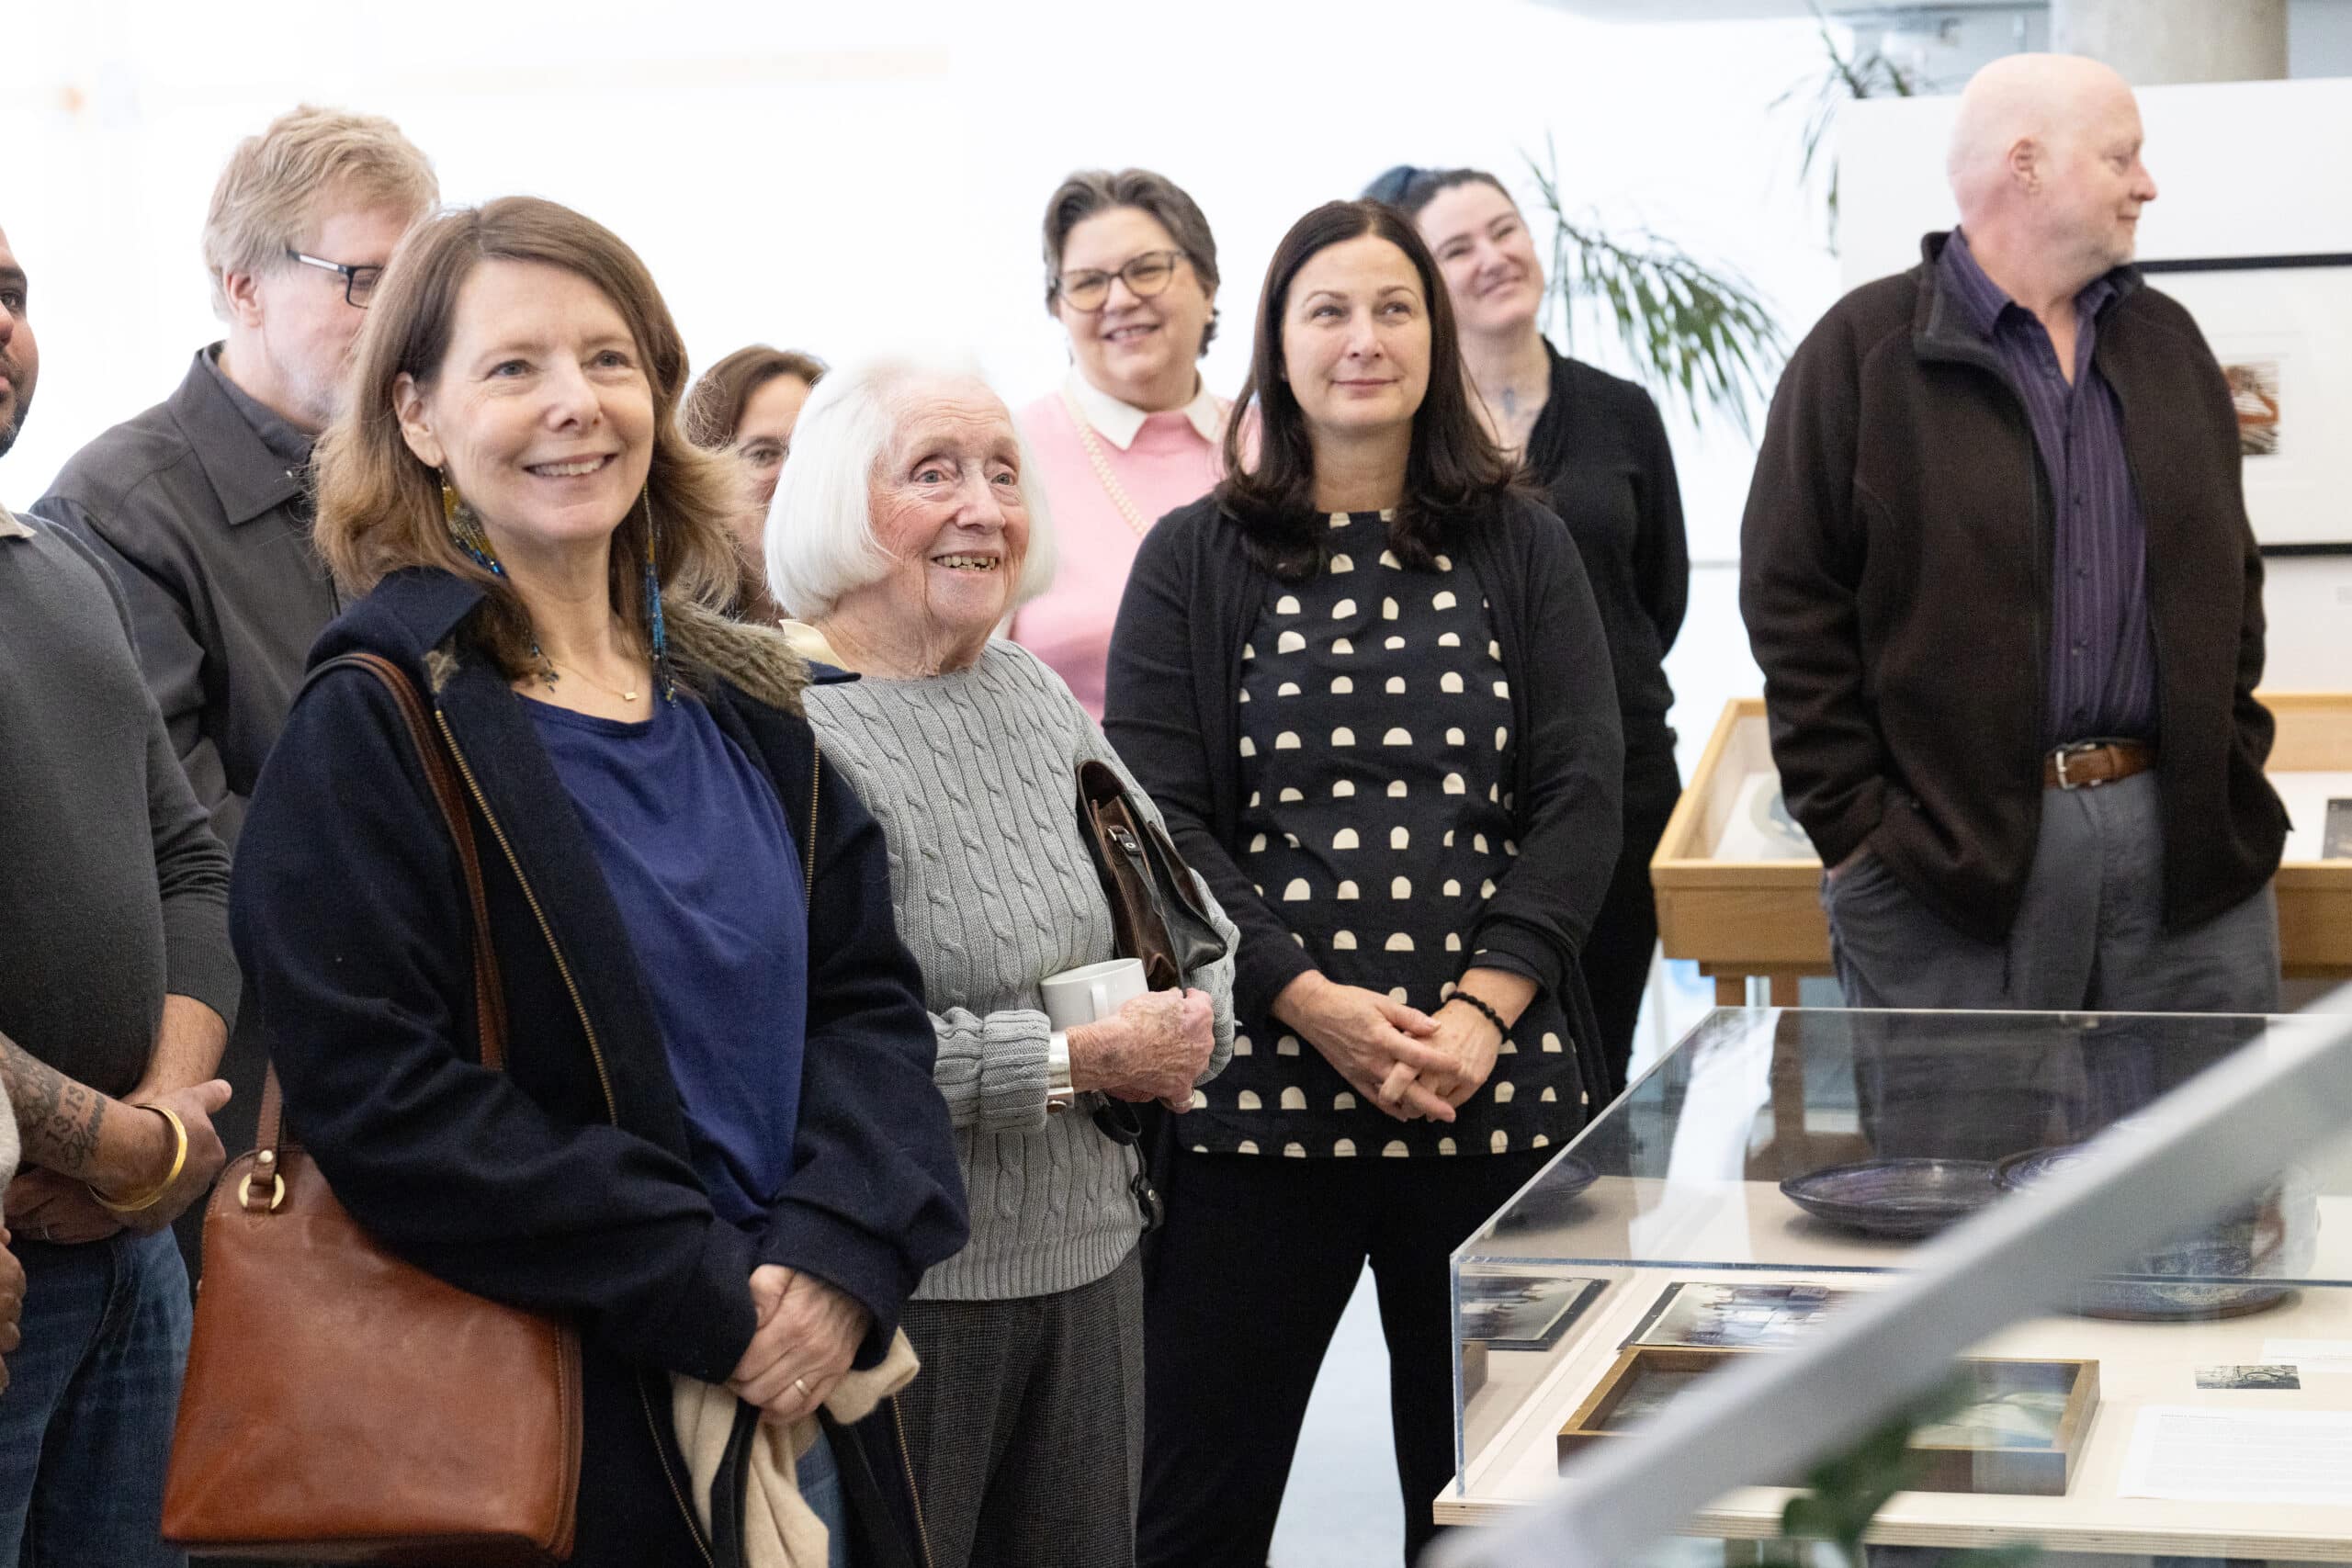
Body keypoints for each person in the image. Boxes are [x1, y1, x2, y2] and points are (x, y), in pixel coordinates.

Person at [229, 197, 967, 1567]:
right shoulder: (379, 717)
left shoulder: (748, 707)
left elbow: (868, 1001)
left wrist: (837, 1247)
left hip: (808, 1385)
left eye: (609, 359)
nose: (575, 402)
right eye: (514, 368)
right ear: (421, 415)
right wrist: (705, 1287)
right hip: (559, 1430)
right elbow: (383, 1097)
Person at [1105, 199, 1623, 1567]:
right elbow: (1166, 822)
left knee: (1490, 1506)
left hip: (1489, 1086)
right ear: (1273, 341)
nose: (1364, 338)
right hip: (1260, 1096)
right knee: (1191, 1502)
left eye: (1394, 307)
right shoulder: (1192, 557)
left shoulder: (1525, 545)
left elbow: (1580, 796)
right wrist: (1309, 995)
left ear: (1435, 335)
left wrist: (1483, 1007)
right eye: (1328, 309)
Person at [776, 356, 1238, 1568]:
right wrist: (1068, 1057)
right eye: (933, 472)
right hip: (903, 1288)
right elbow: (803, 1043)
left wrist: (1196, 1021)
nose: (982, 505)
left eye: (1001, 471)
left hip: (1093, 1264)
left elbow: (1189, 925)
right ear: (836, 501)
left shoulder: (1031, 690)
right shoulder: (784, 727)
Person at [1741, 53, 2286, 1015]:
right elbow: (1790, 603)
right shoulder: (1859, 357)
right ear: (2025, 165)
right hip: (1946, 870)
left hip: (2188, 855)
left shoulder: (2170, 347)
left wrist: (2227, 758)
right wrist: (1860, 831)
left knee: (2210, 1167)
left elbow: (2231, 584)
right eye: (2121, 158)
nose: (2146, 184)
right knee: (1969, 1166)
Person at [39, 106, 437, 1241]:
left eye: (415, 283)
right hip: (259, 1116)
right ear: (241, 285)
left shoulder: (435, 480)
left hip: (425, 1082)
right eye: (361, 279)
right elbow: (200, 848)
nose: (399, 321)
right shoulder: (122, 506)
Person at [0, 220, 239, 1567]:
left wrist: (152, 1127)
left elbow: (194, 864)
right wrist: (126, 1151)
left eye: (12, 294)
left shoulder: (59, 570)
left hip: (129, 1270)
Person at [1369, 164, 1690, 1099]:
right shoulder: (1394, 435)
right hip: (1453, 808)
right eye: (1456, 248)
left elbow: (1657, 597)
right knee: (1472, 1073)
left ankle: (1595, 1252)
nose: (1491, 259)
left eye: (1503, 231)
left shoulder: (1620, 411)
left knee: (1599, 1077)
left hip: (1618, 791)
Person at [1011, 169, 1227, 718]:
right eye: (1087, 283)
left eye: (1148, 270)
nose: (1121, 299)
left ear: (1208, 285)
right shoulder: (1006, 460)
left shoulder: (1280, 445)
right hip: (1078, 796)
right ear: (1058, 308)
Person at [683, 344, 827, 623]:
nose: (792, 475)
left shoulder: (899, 629)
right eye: (763, 454)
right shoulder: (660, 647)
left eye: (811, 450)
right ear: (701, 478)